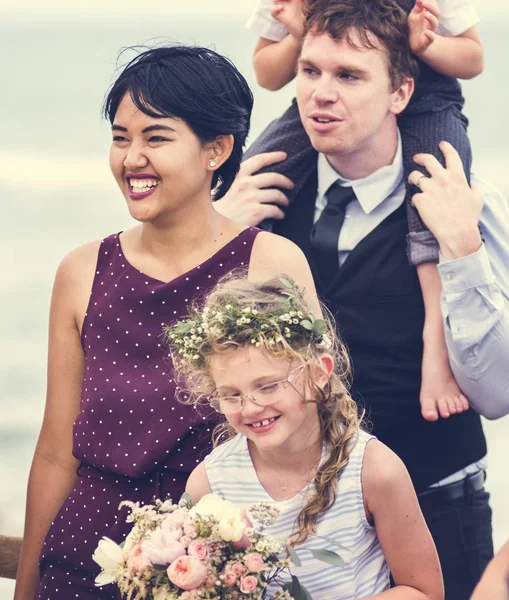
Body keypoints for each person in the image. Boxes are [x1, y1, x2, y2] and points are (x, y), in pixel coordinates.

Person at [215, 0, 509, 596]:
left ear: (400, 92)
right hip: (291, 526)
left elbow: (499, 392)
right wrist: (221, 237)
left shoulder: (466, 202)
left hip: (438, 504)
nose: (322, 94)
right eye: (312, 71)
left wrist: (460, 248)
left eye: (349, 76)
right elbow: (208, 364)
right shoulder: (260, 200)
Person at [13, 45, 319, 600]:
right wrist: (28, 586)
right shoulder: (82, 271)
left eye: (155, 138)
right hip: (85, 555)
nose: (132, 158)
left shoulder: (271, 264)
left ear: (216, 150)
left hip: (217, 563)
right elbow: (58, 451)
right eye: (120, 137)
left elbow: (310, 433)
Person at [244, 0, 484, 423]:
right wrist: (301, 37)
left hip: (428, 100)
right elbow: (266, 72)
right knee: (249, 177)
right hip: (332, 102)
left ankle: (437, 348)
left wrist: (424, 45)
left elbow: (472, 58)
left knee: (435, 197)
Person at [171, 275, 444, 600]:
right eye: (231, 395)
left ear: (318, 373)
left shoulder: (373, 470)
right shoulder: (209, 483)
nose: (251, 408)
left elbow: (423, 590)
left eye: (268, 386)